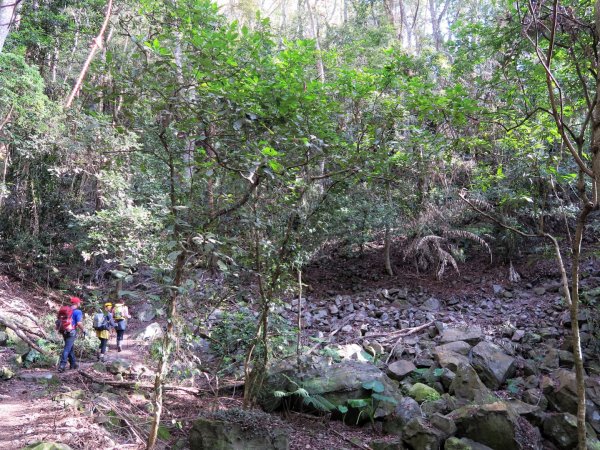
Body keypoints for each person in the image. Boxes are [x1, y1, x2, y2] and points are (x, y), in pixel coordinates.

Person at [57, 296, 85, 373]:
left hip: (63, 330)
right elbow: (79, 323)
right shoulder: (78, 312)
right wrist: (84, 330)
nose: (80, 303)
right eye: (79, 302)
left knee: (70, 347)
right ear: (77, 303)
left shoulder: (66, 310)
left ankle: (73, 364)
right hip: (71, 332)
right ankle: (62, 365)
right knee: (67, 348)